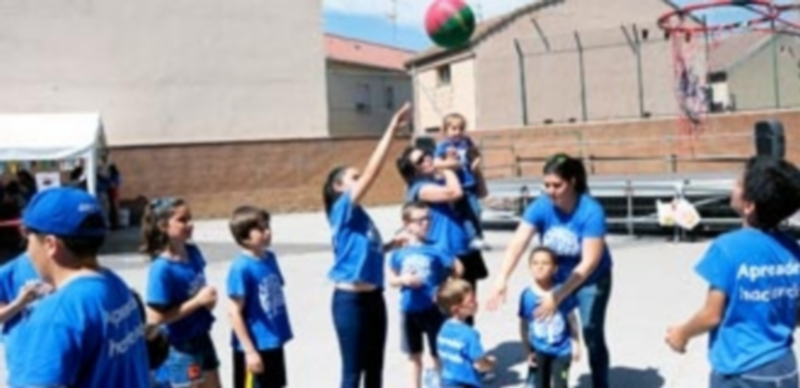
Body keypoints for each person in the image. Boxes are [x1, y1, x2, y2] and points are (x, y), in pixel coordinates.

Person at [665, 156, 800, 388]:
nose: (732, 186)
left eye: (738, 183)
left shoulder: (728, 247)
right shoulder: (792, 249)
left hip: (740, 371)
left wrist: (681, 334)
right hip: (784, 367)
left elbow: (711, 315)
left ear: (749, 206)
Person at [487, 153, 613, 388]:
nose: (550, 191)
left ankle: (600, 383)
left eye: (557, 185)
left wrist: (558, 296)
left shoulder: (591, 211)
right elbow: (518, 242)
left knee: (591, 332)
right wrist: (502, 278)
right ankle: (539, 379)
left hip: (591, 280)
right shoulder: (541, 206)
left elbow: (588, 263)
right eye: (546, 185)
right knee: (543, 326)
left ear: (572, 182)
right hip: (556, 277)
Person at [9, 187, 151, 387]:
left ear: (50, 244)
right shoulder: (114, 284)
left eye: (28, 237)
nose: (27, 251)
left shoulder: (57, 314)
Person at [321, 102, 410, 388]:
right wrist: (391, 130)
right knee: (352, 373)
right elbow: (373, 171)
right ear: (339, 187)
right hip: (350, 301)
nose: (361, 181)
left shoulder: (360, 216)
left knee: (374, 371)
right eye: (354, 178)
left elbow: (362, 251)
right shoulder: (342, 208)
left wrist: (389, 245)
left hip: (374, 298)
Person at [397, 144, 488, 327]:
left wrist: (475, 171)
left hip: (464, 248)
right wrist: (447, 167)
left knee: (466, 305)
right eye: (420, 160)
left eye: (427, 154)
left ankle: (466, 341)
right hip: (444, 251)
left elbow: (481, 192)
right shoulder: (420, 188)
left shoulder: (439, 181)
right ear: (413, 170)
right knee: (449, 306)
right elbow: (455, 193)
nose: (428, 159)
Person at [141, 197, 220, 388]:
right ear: (163, 226)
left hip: (202, 336)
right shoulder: (162, 268)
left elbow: (196, 292)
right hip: (180, 346)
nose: (190, 224)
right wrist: (198, 302)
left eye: (190, 218)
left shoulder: (192, 252)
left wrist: (207, 304)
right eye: (182, 220)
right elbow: (155, 319)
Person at [388, 201, 463, 388]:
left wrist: (445, 288)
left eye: (428, 219)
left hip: (433, 310)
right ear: (407, 224)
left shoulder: (436, 248)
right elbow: (391, 279)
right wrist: (403, 279)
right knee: (414, 355)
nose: (426, 223)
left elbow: (458, 269)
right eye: (420, 220)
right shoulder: (399, 253)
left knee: (437, 353)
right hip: (409, 310)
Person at [227, 206, 293, 388]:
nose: (267, 232)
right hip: (254, 346)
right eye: (261, 229)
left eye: (267, 226)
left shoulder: (270, 258)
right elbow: (234, 312)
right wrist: (249, 351)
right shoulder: (241, 268)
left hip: (273, 341)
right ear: (244, 236)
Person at [519, 247, 581, 388]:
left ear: (555, 268)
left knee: (561, 383)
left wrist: (576, 343)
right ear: (530, 267)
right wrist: (528, 350)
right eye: (535, 263)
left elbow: (572, 319)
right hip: (539, 349)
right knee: (540, 384)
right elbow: (524, 324)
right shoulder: (527, 296)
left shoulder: (562, 292)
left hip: (562, 350)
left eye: (545, 263)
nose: (539, 267)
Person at [433, 113, 489, 251]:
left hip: (469, 183)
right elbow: (436, 163)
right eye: (453, 129)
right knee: (465, 212)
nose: (457, 132)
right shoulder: (444, 146)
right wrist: (449, 163)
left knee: (476, 210)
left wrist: (476, 163)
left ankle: (478, 236)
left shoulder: (466, 141)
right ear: (445, 130)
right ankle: (473, 237)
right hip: (457, 185)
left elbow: (476, 154)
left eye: (461, 128)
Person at [436, 279, 495, 388]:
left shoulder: (443, 329)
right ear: (456, 309)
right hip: (467, 383)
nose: (476, 302)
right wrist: (490, 362)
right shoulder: (469, 334)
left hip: (447, 382)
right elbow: (480, 364)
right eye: (471, 301)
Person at [0, 252, 50, 381]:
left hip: (60, 349)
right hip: (23, 354)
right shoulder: (10, 271)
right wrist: (19, 303)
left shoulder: (70, 269)